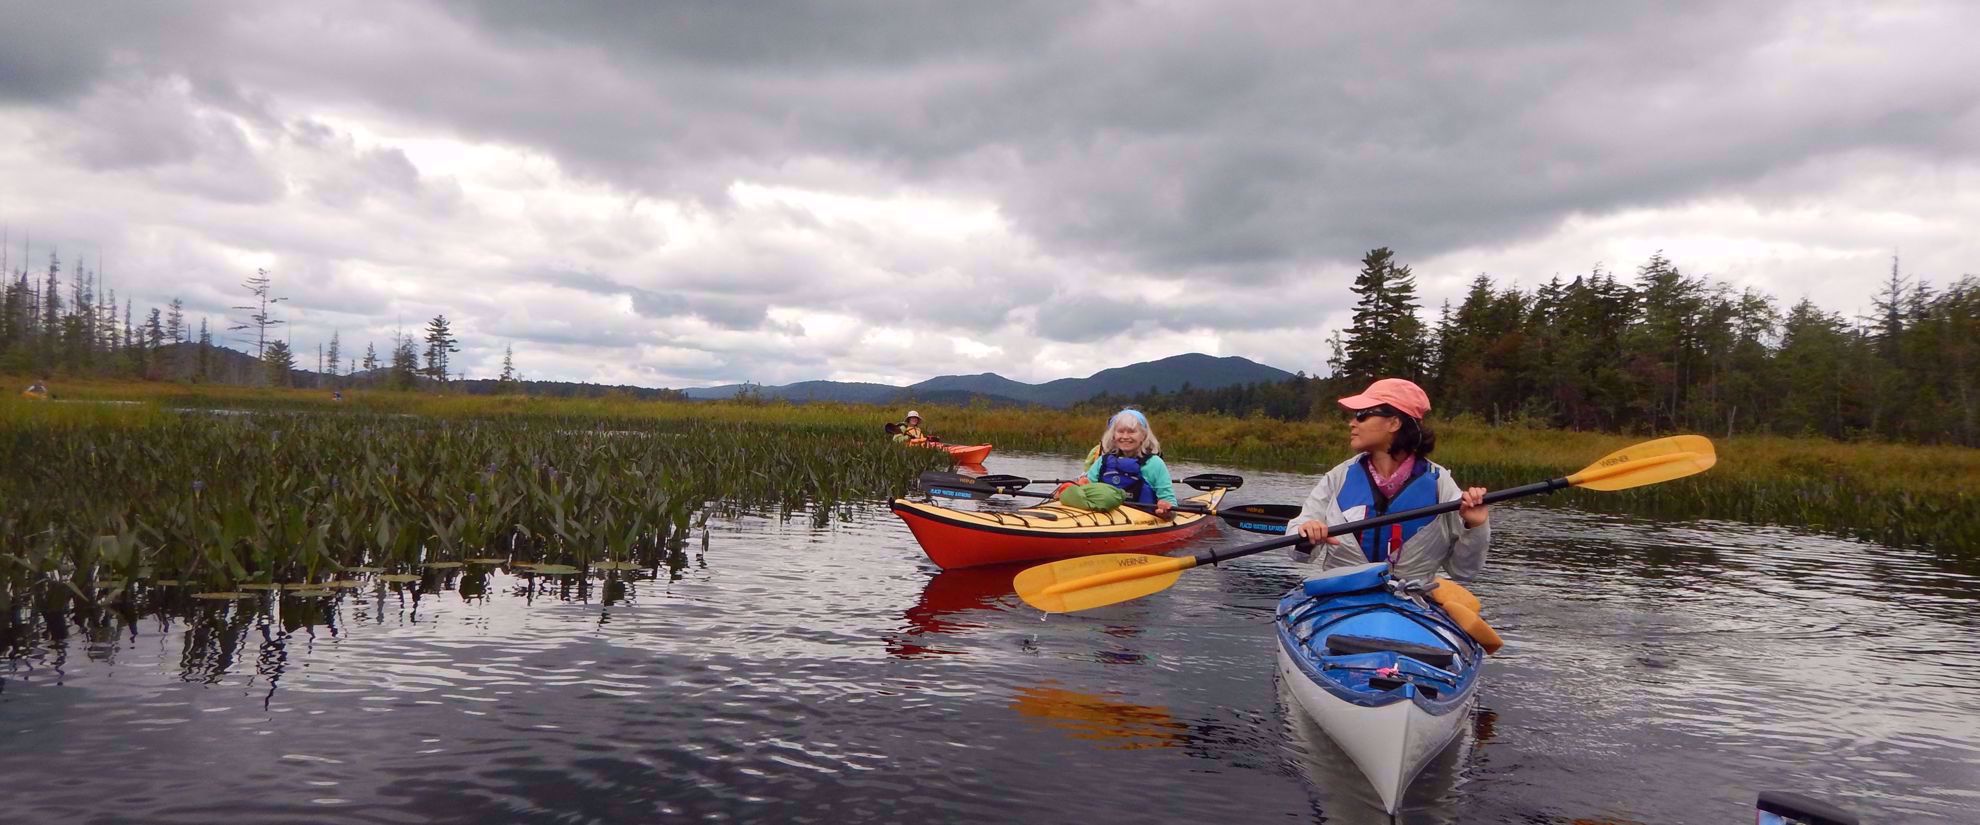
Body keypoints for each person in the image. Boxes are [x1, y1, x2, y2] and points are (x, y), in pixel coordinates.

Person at [1284, 378, 1490, 583]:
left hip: (1409, 603)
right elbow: (1300, 555)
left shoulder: (1440, 484)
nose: (1352, 423)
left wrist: (1475, 526)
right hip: (1341, 599)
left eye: (1362, 415)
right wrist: (1306, 533)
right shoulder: (1338, 477)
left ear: (1393, 422)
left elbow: (1464, 571)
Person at [1064, 409, 1177, 516]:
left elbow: (1169, 502)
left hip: (1142, 521)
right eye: (1120, 431)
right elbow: (1086, 489)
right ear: (1114, 435)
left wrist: (1166, 510)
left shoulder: (1154, 464)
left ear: (1143, 435)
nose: (1125, 436)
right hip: (1103, 517)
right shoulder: (1103, 461)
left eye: (1132, 432)